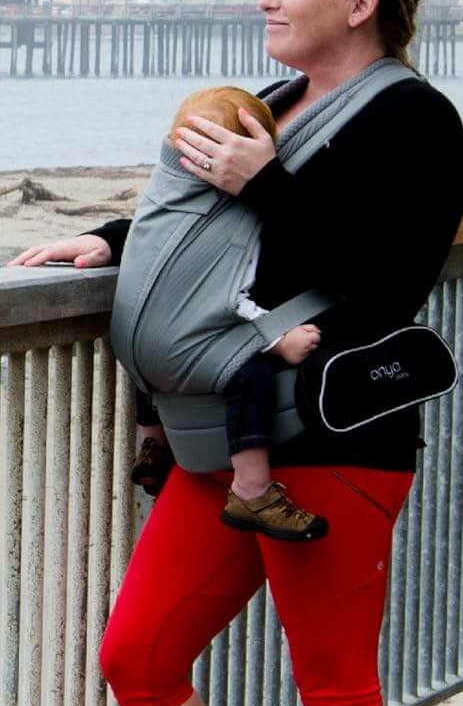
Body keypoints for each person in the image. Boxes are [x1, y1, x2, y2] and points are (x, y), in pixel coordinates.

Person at [9, 0, 463, 706]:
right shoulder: (268, 108)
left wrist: (266, 183)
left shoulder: (416, 121)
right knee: (139, 655)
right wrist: (110, 244)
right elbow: (202, 229)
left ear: (359, 3)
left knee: (336, 688)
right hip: (223, 431)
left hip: (335, 435)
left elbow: (385, 277)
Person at [129, 83, 328, 542]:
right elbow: (232, 293)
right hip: (188, 352)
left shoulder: (167, 198)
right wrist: (278, 339)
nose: (266, 4)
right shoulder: (234, 225)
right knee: (248, 372)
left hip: (136, 346)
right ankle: (252, 487)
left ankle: (153, 444)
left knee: (151, 355)